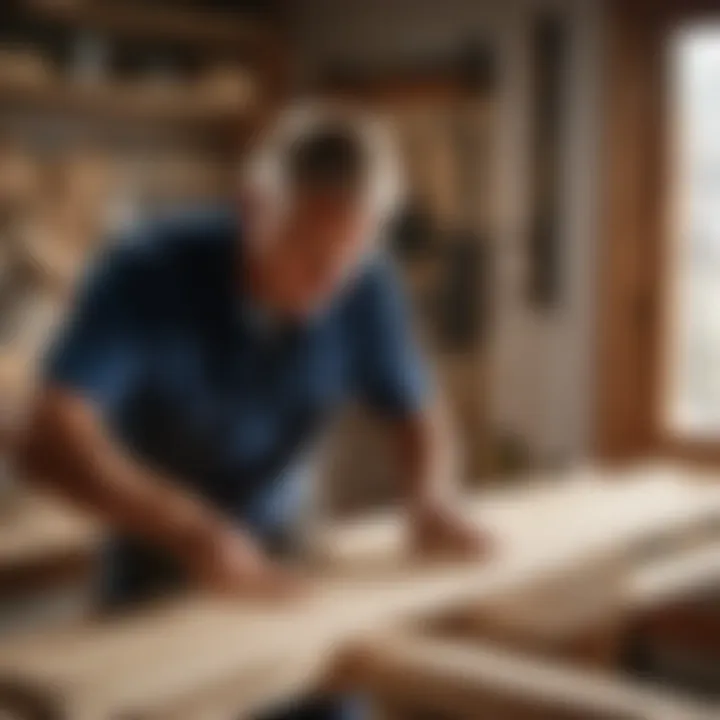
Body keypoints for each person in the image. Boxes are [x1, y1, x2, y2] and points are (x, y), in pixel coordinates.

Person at [18, 106, 488, 720]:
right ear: (252, 209)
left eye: (352, 257)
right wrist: (193, 530)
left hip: (286, 550)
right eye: (311, 255)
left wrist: (430, 497)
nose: (332, 283)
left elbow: (415, 411)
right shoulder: (145, 271)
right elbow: (45, 435)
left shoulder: (365, 283)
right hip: (157, 556)